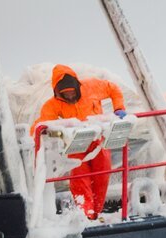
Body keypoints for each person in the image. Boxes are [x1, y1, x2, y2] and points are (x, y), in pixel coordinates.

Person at [32, 64, 127, 219]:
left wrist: (119, 108)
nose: (69, 96)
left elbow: (113, 89)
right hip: (76, 144)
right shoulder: (53, 104)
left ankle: (96, 212)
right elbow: (41, 123)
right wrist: (34, 135)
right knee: (79, 179)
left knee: (102, 175)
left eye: (71, 92)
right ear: (58, 92)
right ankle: (87, 215)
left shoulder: (92, 86)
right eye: (65, 94)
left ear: (77, 86)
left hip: (98, 141)